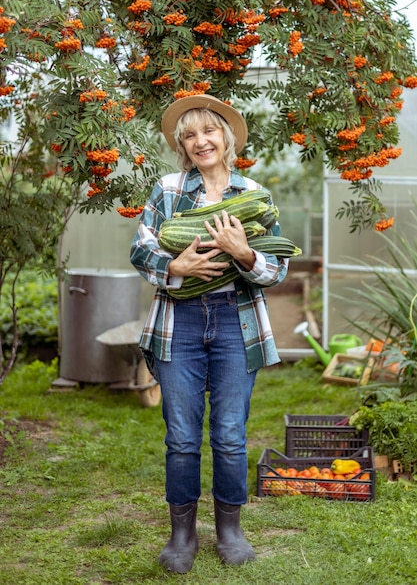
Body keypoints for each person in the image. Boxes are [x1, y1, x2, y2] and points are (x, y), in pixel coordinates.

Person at [130, 94, 288, 574]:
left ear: (227, 137)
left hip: (235, 320)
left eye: (209, 131)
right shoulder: (169, 190)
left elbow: (276, 268)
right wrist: (173, 266)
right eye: (190, 135)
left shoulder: (254, 194)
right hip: (180, 321)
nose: (201, 141)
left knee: (230, 435)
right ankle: (182, 536)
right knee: (180, 436)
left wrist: (243, 255)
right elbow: (141, 250)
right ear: (182, 145)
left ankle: (229, 530)